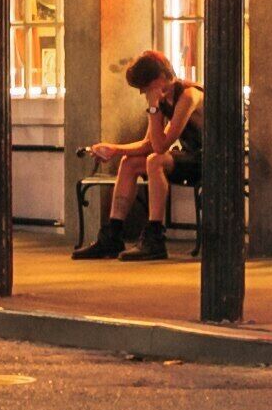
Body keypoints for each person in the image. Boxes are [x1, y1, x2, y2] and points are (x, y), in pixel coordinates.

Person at [75, 49, 202, 261]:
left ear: (161, 78)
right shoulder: (162, 99)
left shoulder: (189, 95)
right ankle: (113, 236)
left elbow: (160, 148)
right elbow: (148, 144)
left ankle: (155, 237)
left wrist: (153, 109)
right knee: (129, 163)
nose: (143, 93)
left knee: (155, 161)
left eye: (145, 87)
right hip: (189, 156)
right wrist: (114, 149)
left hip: (209, 159)